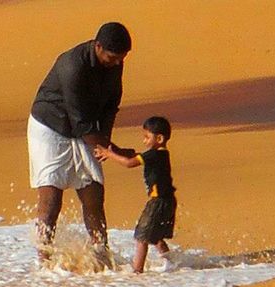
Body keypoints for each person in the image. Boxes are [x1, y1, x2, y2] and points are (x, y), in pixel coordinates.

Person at [28, 22, 135, 265]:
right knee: (51, 198)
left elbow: (110, 107)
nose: (118, 63)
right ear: (98, 46)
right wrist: (113, 150)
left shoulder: (114, 63)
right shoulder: (72, 66)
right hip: (50, 126)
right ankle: (44, 262)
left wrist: (105, 143)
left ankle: (101, 255)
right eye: (113, 57)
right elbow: (81, 121)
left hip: (84, 129)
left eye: (122, 58)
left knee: (93, 193)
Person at [94, 116, 177, 273]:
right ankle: (170, 262)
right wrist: (117, 152)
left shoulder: (154, 155)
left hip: (157, 201)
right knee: (155, 236)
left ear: (159, 138)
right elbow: (136, 157)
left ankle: (137, 271)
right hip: (168, 200)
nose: (144, 141)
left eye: (147, 137)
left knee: (141, 236)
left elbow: (129, 163)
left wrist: (109, 154)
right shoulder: (160, 155)